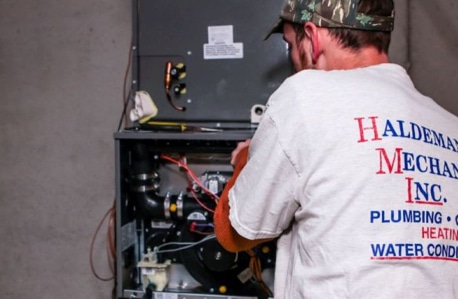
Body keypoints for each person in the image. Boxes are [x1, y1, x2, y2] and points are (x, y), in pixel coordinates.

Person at [214, 0, 458, 298]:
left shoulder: (304, 95)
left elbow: (236, 231)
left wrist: (245, 160)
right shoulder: (449, 125)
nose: (292, 56)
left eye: (291, 44)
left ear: (313, 38)